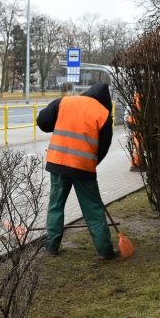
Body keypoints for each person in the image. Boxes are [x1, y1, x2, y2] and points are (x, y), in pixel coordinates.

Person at [37, 83, 117, 260]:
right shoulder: (103, 113)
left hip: (58, 164)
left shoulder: (65, 102)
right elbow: (104, 146)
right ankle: (105, 251)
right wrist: (91, 163)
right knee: (93, 209)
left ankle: (51, 247)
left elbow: (42, 121)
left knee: (56, 206)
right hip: (83, 167)